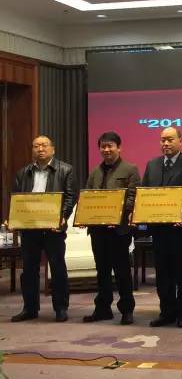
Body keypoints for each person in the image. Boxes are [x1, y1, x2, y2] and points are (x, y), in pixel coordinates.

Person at [10, 136, 78, 323]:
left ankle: (61, 308)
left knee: (57, 268)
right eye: (36, 146)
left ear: (52, 149)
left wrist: (63, 217)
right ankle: (30, 308)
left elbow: (70, 197)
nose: (40, 149)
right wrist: (14, 218)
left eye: (44, 145)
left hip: (53, 228)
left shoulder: (66, 170)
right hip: (30, 228)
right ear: (32, 149)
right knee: (29, 270)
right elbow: (16, 198)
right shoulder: (23, 173)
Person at [141, 127, 182, 328]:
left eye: (170, 139)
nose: (165, 143)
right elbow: (145, 193)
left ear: (180, 141)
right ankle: (166, 311)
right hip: (159, 229)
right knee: (163, 273)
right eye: (162, 140)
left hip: (181, 228)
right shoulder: (152, 165)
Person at [83, 132, 140, 326]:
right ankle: (103, 309)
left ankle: (127, 310)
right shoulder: (95, 172)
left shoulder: (130, 169)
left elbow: (133, 197)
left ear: (119, 147)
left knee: (122, 271)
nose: (106, 150)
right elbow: (88, 197)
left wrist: (116, 216)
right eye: (103, 146)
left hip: (119, 231)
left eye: (110, 146)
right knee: (102, 271)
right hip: (98, 230)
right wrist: (85, 216)